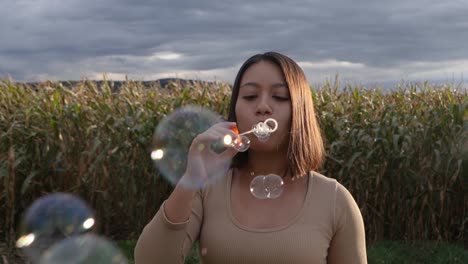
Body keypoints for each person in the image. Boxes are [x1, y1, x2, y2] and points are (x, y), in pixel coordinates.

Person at [134, 52, 367, 263]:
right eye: (250, 96)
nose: (263, 107)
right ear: (235, 108)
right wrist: (191, 180)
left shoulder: (335, 201)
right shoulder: (207, 189)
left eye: (280, 97)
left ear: (300, 112)